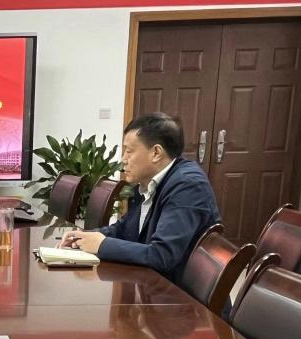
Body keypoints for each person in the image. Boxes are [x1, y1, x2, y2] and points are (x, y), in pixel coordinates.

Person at [60, 112, 220, 281]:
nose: (123, 159)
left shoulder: (188, 186)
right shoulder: (147, 181)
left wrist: (102, 245)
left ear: (156, 153)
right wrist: (86, 237)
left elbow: (162, 256)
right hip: (148, 282)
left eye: (129, 151)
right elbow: (124, 230)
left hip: (175, 292)